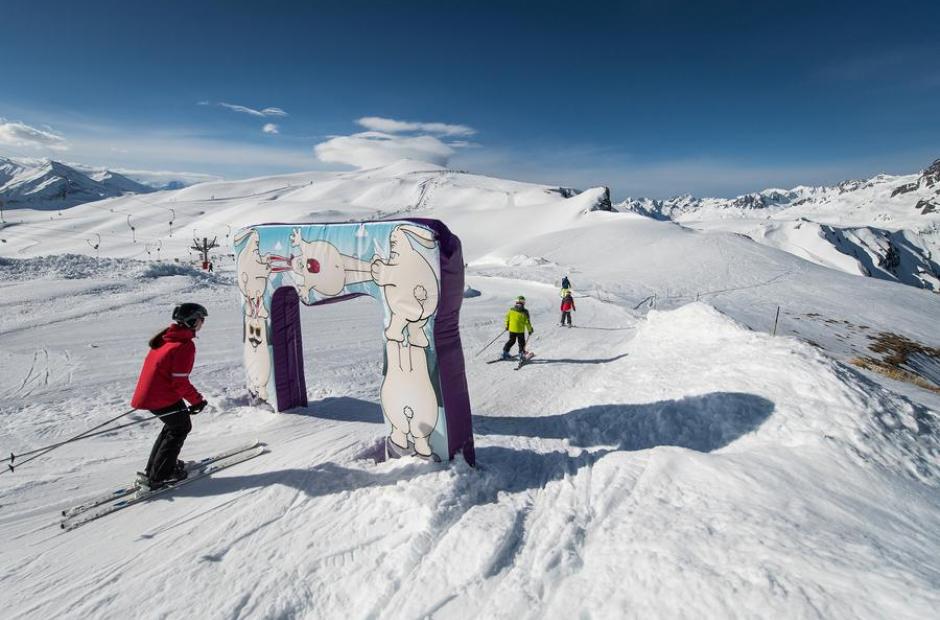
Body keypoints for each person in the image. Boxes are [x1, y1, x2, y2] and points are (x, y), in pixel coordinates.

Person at [131, 303, 209, 488]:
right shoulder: (184, 345)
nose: (202, 323)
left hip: (153, 395)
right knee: (180, 428)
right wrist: (197, 401)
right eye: (200, 319)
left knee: (174, 427)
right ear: (191, 322)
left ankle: (157, 469)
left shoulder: (167, 339)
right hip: (161, 396)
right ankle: (160, 476)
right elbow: (179, 381)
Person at [502, 296, 534, 360]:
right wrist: (530, 330)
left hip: (512, 329)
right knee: (521, 342)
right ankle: (521, 354)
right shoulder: (525, 312)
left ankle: (505, 352)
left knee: (511, 341)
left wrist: (507, 326)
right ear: (523, 303)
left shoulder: (511, 310)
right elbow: (527, 322)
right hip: (520, 331)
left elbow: (507, 318)